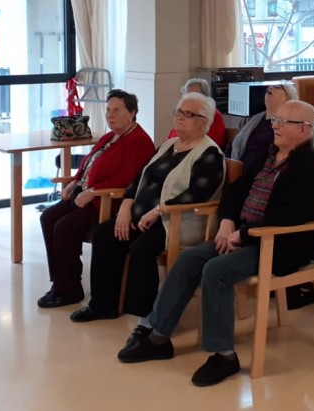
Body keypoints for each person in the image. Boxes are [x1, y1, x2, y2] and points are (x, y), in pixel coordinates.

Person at [116, 100, 314, 386]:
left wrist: (243, 234)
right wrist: (228, 221)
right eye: (275, 120)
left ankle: (224, 356)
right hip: (243, 236)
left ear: (303, 130)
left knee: (217, 270)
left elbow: (292, 215)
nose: (274, 126)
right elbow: (233, 191)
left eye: (282, 122)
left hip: (277, 245)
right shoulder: (268, 156)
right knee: (189, 259)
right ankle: (158, 336)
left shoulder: (310, 167)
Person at [70, 92, 225, 323]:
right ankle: (102, 305)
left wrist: (159, 210)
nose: (180, 117)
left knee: (142, 247)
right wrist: (126, 207)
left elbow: (197, 194)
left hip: (178, 222)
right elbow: (139, 177)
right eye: (179, 112)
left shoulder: (209, 153)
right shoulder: (168, 145)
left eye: (188, 114)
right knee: (105, 234)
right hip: (142, 216)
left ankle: (143, 314)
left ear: (204, 122)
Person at [37, 89, 155, 308]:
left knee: (64, 226)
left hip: (105, 201)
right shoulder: (110, 136)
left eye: (116, 110)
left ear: (132, 113)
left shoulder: (139, 141)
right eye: (108, 110)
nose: (110, 115)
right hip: (84, 194)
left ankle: (69, 289)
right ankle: (60, 282)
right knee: (48, 217)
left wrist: (93, 190)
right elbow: (88, 164)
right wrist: (74, 181)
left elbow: (128, 178)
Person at [225, 81, 298, 176]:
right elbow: (234, 144)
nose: (270, 87)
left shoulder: (286, 125)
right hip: (236, 168)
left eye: (277, 87)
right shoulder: (252, 120)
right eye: (268, 88)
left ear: (288, 98)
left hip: (260, 174)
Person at [164, 77, 227, 146]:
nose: (190, 99)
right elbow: (168, 141)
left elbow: (209, 144)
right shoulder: (182, 114)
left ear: (205, 97)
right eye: (187, 95)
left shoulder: (213, 116)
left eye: (195, 95)